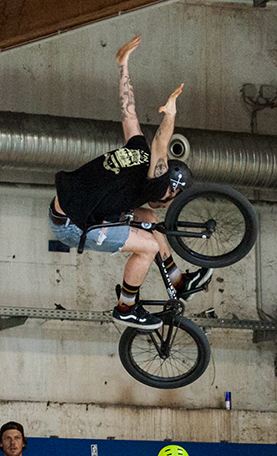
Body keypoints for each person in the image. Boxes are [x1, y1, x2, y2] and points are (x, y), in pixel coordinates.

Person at [48, 34, 212, 330]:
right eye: (170, 200)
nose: (164, 204)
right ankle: (126, 307)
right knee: (148, 246)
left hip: (71, 207)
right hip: (72, 224)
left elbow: (128, 111)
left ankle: (179, 280)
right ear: (170, 188)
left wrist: (123, 65)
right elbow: (162, 143)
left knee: (149, 219)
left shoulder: (138, 150)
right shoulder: (157, 181)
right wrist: (170, 116)